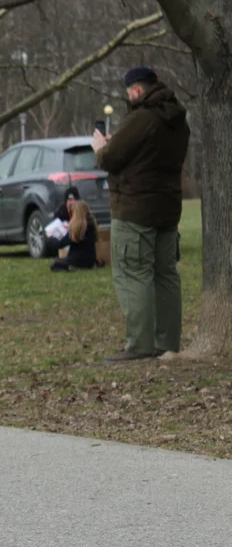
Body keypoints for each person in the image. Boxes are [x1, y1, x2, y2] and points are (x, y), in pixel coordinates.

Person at [92, 66, 190, 362]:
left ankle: (140, 345)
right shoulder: (178, 122)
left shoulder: (142, 119)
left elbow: (111, 159)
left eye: (128, 93)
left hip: (135, 208)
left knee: (133, 274)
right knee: (165, 275)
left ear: (136, 90)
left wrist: (100, 148)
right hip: (168, 208)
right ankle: (168, 342)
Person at [49, 199, 98, 272]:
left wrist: (51, 236)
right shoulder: (91, 224)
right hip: (90, 261)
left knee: (54, 264)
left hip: (76, 261)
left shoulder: (76, 229)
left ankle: (71, 268)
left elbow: (60, 244)